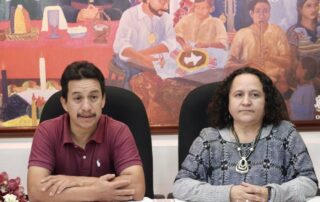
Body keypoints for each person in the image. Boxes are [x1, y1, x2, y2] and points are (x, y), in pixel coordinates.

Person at [173, 67, 318, 202]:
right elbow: (181, 186)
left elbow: (309, 183)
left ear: (266, 101)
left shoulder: (286, 134)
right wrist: (228, 194)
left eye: (255, 95)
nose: (246, 102)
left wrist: (271, 193)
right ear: (227, 101)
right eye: (238, 95)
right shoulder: (208, 138)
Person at [27, 61, 145, 202]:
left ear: (103, 100)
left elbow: (137, 188)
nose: (87, 107)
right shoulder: (47, 131)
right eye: (77, 98)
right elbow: (35, 191)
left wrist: (76, 181)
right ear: (65, 103)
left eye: (93, 97)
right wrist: (96, 192)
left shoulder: (119, 131)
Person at [225, 0, 291, 90]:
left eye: (265, 11)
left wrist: (270, 57)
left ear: (269, 13)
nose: (262, 15)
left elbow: (288, 62)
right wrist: (248, 63)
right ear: (251, 13)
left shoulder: (277, 31)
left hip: (275, 85)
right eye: (258, 11)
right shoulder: (242, 34)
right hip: (248, 84)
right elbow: (228, 67)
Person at [112, 0, 176, 89]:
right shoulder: (130, 15)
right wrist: (142, 58)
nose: (166, 7)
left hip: (153, 61)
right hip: (130, 62)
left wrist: (145, 55)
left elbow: (171, 41)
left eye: (168, 2)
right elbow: (120, 46)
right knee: (139, 81)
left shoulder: (165, 17)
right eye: (162, 2)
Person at [59, 0, 132, 22]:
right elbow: (59, 8)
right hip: (74, 36)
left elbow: (122, 9)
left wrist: (100, 15)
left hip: (106, 36)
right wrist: (76, 14)